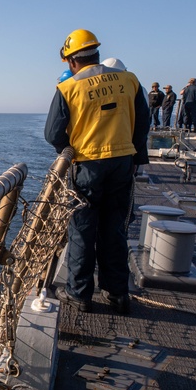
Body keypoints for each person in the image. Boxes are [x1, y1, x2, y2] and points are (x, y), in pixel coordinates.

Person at [45, 29, 149, 315]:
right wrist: (137, 155)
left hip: (88, 166)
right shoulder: (130, 80)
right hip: (122, 163)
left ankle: (79, 294)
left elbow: (53, 133)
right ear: (96, 53)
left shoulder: (68, 88)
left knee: (81, 229)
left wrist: (68, 150)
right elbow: (143, 122)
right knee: (115, 229)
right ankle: (116, 293)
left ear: (71, 61)